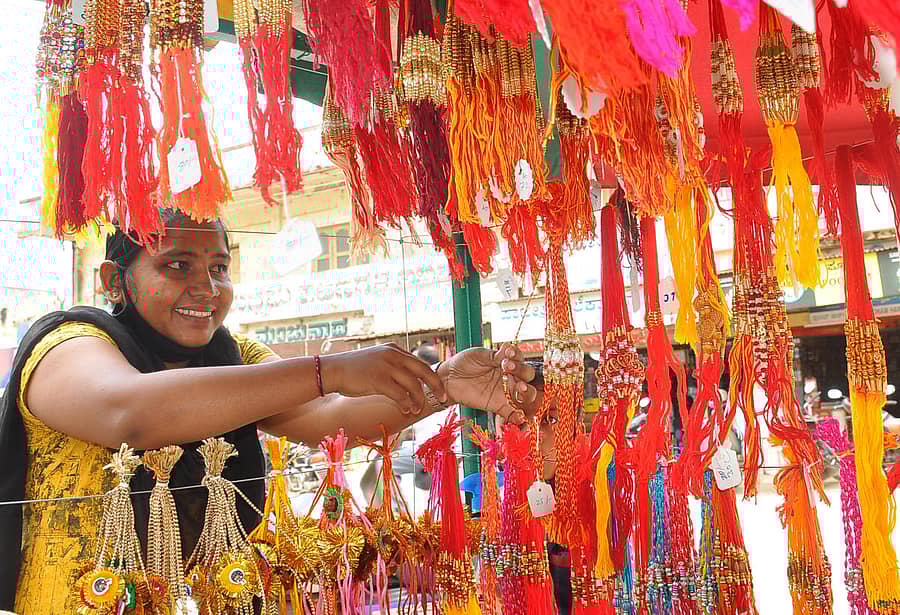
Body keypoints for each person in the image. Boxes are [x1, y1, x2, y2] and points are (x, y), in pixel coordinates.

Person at [0, 211, 541, 613]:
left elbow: (330, 416)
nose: (206, 289)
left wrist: (443, 386)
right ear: (114, 281)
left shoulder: (232, 357)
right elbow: (126, 413)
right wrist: (327, 367)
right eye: (176, 265)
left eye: (218, 267)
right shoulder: (70, 342)